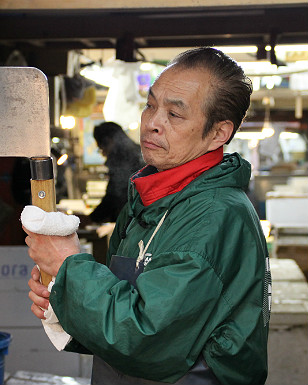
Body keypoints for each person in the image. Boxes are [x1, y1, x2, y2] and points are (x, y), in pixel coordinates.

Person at [24, 47, 271, 385]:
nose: (152, 123)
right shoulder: (147, 200)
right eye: (151, 105)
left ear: (218, 133)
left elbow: (146, 338)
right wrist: (67, 304)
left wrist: (71, 266)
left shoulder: (214, 216)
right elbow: (124, 316)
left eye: (175, 114)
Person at [89, 121, 145, 223]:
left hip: (134, 221)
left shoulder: (123, 158)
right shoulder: (139, 152)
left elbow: (114, 196)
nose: (104, 154)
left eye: (102, 148)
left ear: (109, 141)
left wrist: (91, 218)